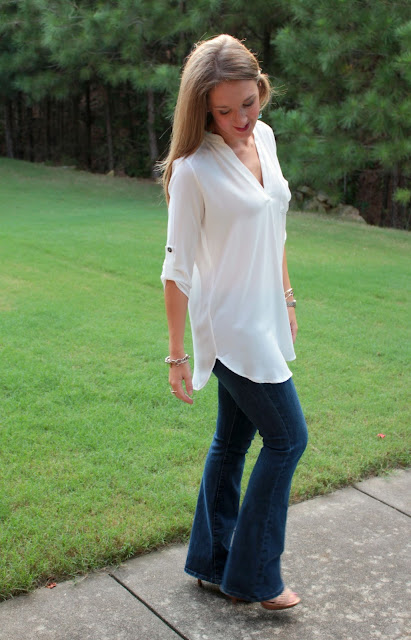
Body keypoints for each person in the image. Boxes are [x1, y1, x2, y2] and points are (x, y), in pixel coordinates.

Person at [160, 34, 308, 610]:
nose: (242, 118)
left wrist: (287, 298)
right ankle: (255, 577)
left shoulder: (264, 138)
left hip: (265, 314)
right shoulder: (193, 170)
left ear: (260, 89)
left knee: (232, 440)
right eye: (225, 111)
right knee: (288, 438)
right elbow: (176, 271)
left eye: (249, 101)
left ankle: (212, 561)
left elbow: (276, 227)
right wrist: (177, 354)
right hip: (230, 327)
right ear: (203, 109)